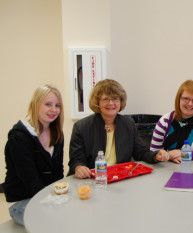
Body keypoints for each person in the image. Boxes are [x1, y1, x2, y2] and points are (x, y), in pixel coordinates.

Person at [68, 79, 168, 178]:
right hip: (94, 180)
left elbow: (141, 152)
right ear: (97, 102)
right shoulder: (81, 127)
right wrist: (79, 167)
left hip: (120, 179)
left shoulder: (128, 124)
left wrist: (156, 156)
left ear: (121, 102)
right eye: (105, 99)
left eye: (115, 99)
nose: (111, 103)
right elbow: (76, 161)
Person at [2, 85, 64, 225]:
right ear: (36, 104)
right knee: (56, 222)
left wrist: (62, 197)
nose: (54, 110)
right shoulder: (19, 137)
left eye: (57, 105)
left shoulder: (57, 134)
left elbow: (57, 172)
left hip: (46, 196)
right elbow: (31, 181)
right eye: (48, 104)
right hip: (23, 200)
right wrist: (54, 203)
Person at [150, 80, 193, 163]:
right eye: (186, 99)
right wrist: (170, 156)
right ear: (179, 99)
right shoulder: (164, 121)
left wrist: (184, 154)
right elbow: (153, 153)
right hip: (166, 172)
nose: (190, 104)